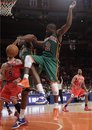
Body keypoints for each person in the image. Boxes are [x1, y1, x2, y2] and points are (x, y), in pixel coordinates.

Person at [12, 1, 76, 129]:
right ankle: (25, 80)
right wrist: (21, 38)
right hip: (43, 58)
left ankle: (56, 108)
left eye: (48, 29)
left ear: (51, 29)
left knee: (53, 83)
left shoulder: (57, 34)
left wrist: (70, 9)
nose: (46, 30)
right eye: (46, 29)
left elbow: (68, 24)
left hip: (52, 61)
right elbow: (35, 41)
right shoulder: (45, 40)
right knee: (29, 58)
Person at [0, 44, 23, 118]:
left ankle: (22, 117)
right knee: (1, 99)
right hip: (8, 84)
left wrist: (19, 78)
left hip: (16, 84)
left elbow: (25, 69)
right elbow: (3, 77)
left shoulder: (17, 61)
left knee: (14, 100)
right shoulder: (5, 65)